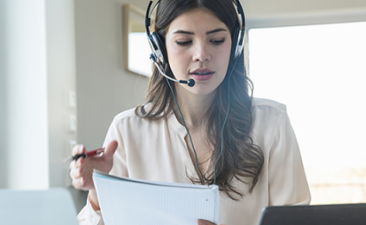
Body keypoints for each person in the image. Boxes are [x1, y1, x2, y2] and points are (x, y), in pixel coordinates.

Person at [70, 0, 311, 224]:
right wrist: (98, 192)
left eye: (216, 40)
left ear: (236, 45)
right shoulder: (127, 130)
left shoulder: (272, 123)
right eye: (184, 42)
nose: (201, 55)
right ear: (160, 48)